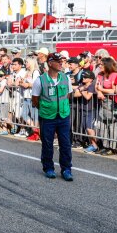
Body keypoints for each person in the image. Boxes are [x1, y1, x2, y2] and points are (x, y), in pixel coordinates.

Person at [32, 52, 73, 181]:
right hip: (47, 117)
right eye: (57, 61)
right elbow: (35, 100)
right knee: (48, 144)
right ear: (50, 63)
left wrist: (60, 107)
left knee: (65, 144)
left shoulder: (66, 78)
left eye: (62, 61)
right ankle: (48, 168)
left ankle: (66, 169)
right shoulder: (40, 80)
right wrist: (47, 108)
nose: (61, 63)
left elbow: (68, 95)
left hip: (63, 116)